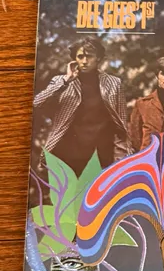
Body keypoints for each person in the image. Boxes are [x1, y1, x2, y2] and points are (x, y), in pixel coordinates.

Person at [33, 37, 131, 175]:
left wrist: (121, 157)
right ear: (74, 59)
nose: (84, 61)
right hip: (66, 155)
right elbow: (37, 103)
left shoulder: (114, 83)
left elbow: (121, 125)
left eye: (89, 56)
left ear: (98, 58)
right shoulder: (61, 81)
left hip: (101, 156)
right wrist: (66, 80)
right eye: (80, 57)